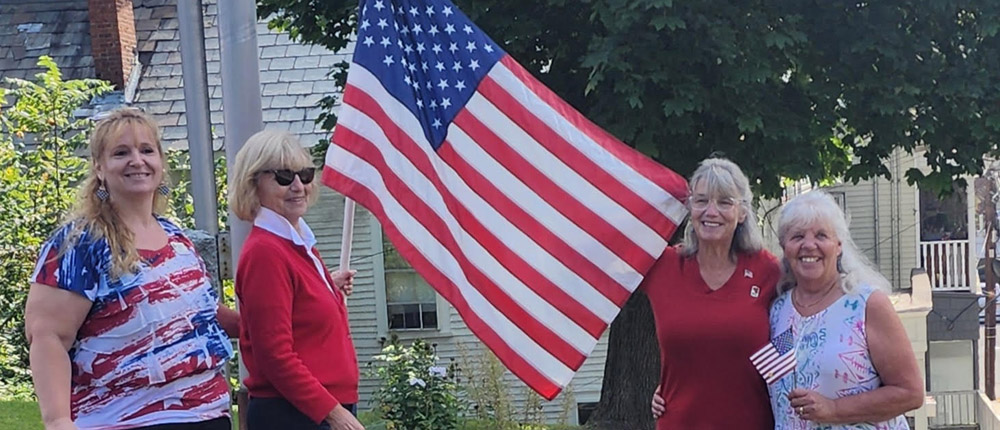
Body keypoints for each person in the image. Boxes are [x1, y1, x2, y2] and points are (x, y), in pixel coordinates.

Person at [25, 108, 239, 430]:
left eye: (147, 150)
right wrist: (58, 421)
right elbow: (47, 335)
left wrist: (280, 321)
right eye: (121, 153)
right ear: (99, 167)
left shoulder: (177, 238)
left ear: (161, 162)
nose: (137, 161)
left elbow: (201, 314)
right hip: (123, 420)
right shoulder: (79, 244)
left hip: (208, 414)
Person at [229, 130, 362, 430]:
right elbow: (274, 355)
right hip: (295, 413)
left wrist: (326, 289)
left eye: (305, 174)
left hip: (312, 408)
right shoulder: (266, 252)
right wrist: (334, 414)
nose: (298, 186)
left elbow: (295, 310)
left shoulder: (295, 242)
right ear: (253, 183)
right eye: (284, 176)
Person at [769, 190, 923, 429]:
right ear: (784, 246)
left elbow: (910, 393)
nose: (809, 245)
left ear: (838, 245)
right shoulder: (778, 310)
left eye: (821, 235)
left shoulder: (867, 304)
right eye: (797, 236)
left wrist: (835, 409)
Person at [646, 158, 780, 429]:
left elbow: (798, 332)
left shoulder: (769, 270)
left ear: (742, 213)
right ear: (690, 207)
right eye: (701, 200)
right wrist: (670, 384)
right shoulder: (662, 266)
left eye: (724, 202)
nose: (711, 211)